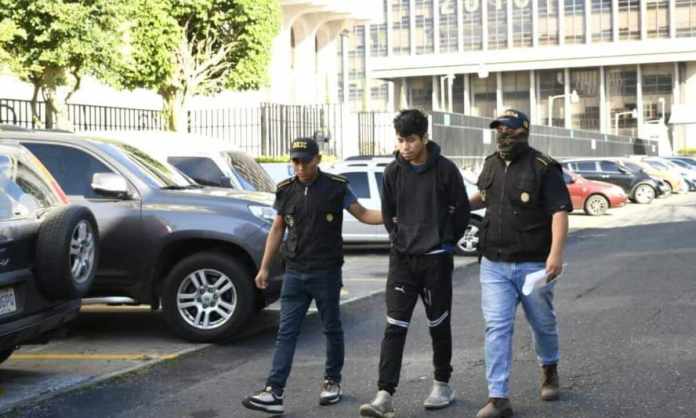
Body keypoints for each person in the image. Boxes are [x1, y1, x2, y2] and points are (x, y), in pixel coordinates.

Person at [242, 137, 383, 415]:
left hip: (326, 272)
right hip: (294, 272)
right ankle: (274, 391)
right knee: (286, 333)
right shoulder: (285, 190)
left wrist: (395, 214)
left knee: (331, 328)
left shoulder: (336, 187)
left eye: (305, 160)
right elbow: (277, 230)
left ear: (317, 159)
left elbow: (364, 214)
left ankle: (332, 381)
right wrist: (264, 267)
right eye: (295, 161)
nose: (300, 166)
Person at [359, 109, 470, 417]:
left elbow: (460, 211)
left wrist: (445, 241)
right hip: (402, 261)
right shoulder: (393, 171)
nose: (404, 147)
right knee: (394, 326)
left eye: (410, 140)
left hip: (436, 261)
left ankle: (442, 383)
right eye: (400, 140)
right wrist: (399, 239)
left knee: (438, 324)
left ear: (424, 138)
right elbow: (388, 211)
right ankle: (384, 395)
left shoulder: (446, 170)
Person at [468, 110, 571, 418]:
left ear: (524, 132)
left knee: (542, 324)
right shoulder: (490, 164)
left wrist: (556, 254)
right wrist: (456, 204)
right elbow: (483, 198)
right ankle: (498, 398)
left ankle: (549, 369)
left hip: (533, 264)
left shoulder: (543, 168)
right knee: (497, 327)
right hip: (494, 263)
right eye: (498, 130)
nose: (503, 135)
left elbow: (559, 212)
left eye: (509, 130)